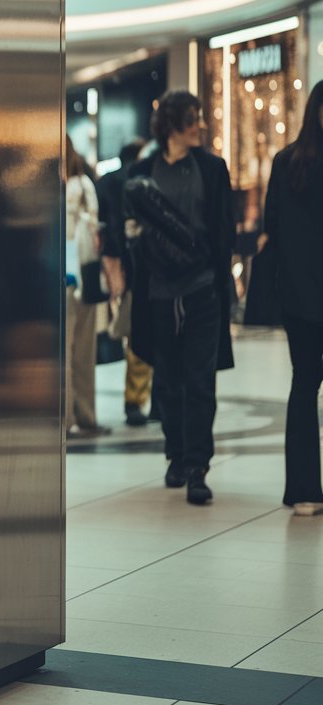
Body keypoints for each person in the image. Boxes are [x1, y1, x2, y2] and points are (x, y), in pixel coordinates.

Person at [127, 91, 235, 505]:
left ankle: (197, 467)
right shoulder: (143, 171)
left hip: (202, 288)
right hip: (158, 292)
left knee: (200, 380)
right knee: (168, 381)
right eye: (192, 119)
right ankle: (174, 453)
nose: (199, 126)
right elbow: (131, 231)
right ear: (172, 123)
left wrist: (224, 283)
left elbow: (221, 230)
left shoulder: (211, 168)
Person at [261, 81, 323, 516]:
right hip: (303, 296)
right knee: (303, 386)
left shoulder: (286, 162)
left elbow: (272, 229)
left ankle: (302, 491)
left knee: (303, 385)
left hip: (299, 298)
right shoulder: (288, 162)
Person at [98, 139, 153, 426]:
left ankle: (137, 398)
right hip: (137, 267)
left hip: (113, 265)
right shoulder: (139, 181)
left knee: (131, 331)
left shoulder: (106, 182)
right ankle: (136, 399)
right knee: (139, 334)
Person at [65, 136, 110, 438]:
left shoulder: (43, 186)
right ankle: (87, 416)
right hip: (86, 272)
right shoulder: (83, 184)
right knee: (84, 349)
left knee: (62, 352)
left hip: (59, 274)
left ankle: (64, 417)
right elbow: (96, 227)